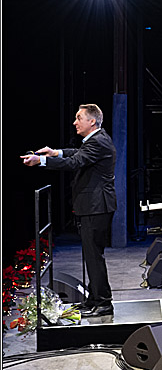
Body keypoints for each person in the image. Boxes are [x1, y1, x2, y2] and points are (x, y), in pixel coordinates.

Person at [23, 104, 117, 316]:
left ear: (92, 121)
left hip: (97, 206)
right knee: (91, 255)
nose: (75, 122)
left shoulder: (99, 141)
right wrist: (56, 152)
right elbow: (77, 153)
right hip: (92, 206)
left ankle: (103, 303)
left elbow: (75, 161)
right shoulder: (95, 141)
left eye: (79, 118)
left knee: (94, 256)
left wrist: (42, 160)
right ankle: (94, 299)